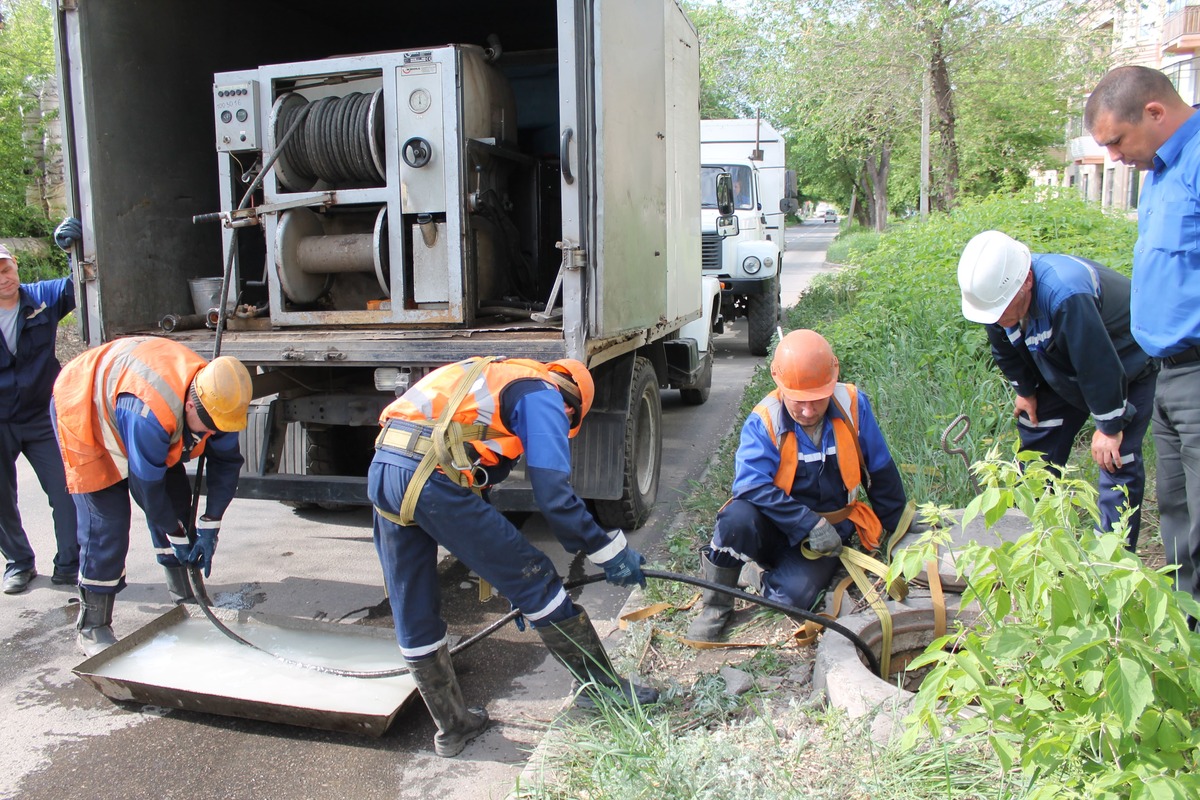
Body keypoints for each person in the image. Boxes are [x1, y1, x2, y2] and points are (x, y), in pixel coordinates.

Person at [369, 355, 657, 758]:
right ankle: (602, 691)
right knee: (538, 578)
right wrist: (610, 551)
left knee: (412, 604)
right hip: (429, 476)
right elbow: (555, 498)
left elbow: (471, 484)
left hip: (386, 467)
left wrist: (511, 583)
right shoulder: (544, 395)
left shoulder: (489, 375)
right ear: (571, 407)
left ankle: (452, 727)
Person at [688, 329, 910, 642]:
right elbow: (750, 486)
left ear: (832, 383)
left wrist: (899, 530)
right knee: (735, 519)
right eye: (798, 403)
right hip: (773, 525)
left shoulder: (853, 406)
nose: (808, 411)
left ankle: (754, 574)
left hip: (830, 533)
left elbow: (881, 471)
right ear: (780, 386)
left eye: (817, 401)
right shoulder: (765, 419)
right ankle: (715, 606)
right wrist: (808, 522)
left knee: (791, 601)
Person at [51, 337, 253, 655]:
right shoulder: (150, 411)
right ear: (190, 405)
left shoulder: (219, 401)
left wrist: (210, 525)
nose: (213, 434)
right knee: (108, 524)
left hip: (145, 409)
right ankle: (93, 626)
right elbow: (146, 488)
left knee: (176, 504)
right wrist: (176, 535)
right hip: (85, 406)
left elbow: (226, 463)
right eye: (210, 427)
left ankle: (186, 597)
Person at [957, 230, 1156, 547]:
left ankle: (1113, 560)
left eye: (1002, 311)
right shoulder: (996, 298)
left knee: (1115, 458)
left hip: (1124, 365)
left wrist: (1109, 425)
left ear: (1026, 283)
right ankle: (1030, 541)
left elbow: (1096, 362)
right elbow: (1003, 345)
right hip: (1065, 363)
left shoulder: (1065, 293)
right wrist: (1025, 389)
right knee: (1037, 437)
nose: (998, 320)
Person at [1086, 65, 1200, 613]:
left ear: (1154, 113)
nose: (1112, 157)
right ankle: (1186, 640)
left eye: (1116, 141)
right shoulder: (1157, 172)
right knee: (1177, 513)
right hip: (1168, 374)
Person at [0, 226, 81, 595]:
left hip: (40, 415)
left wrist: (71, 249)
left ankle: (69, 564)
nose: (2, 279)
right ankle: (19, 563)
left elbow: (80, 284)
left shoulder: (42, 298)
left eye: (5, 269)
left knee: (66, 490)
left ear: (15, 265)